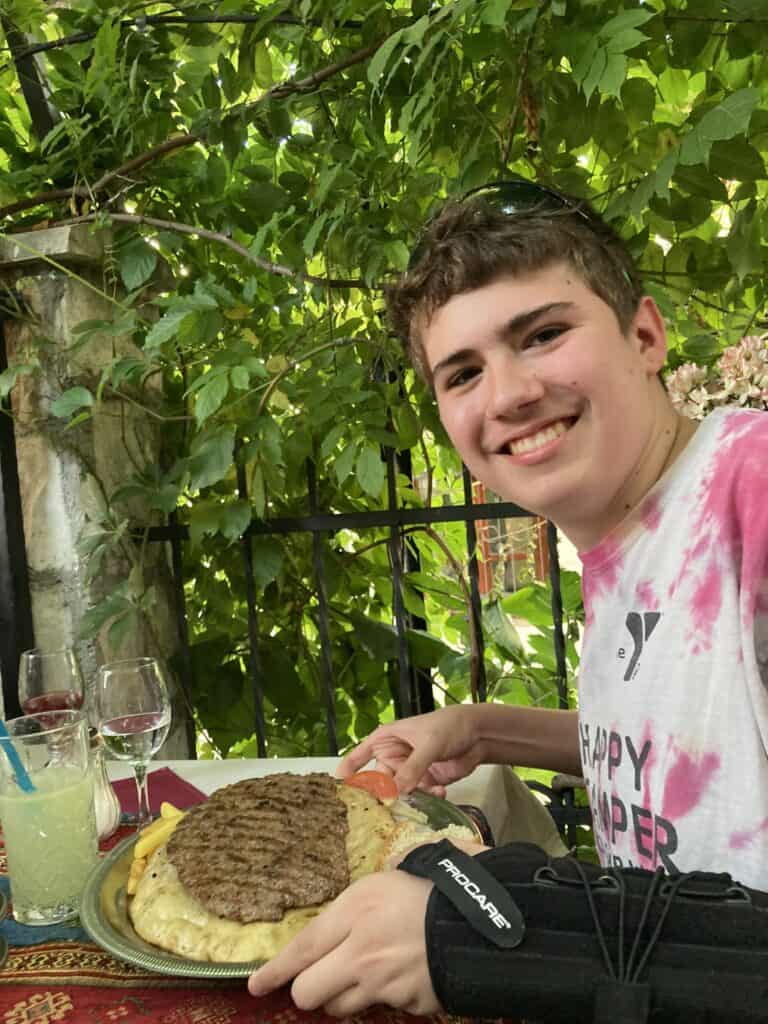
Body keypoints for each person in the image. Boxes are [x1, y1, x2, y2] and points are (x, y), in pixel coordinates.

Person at [247, 180, 768, 1017]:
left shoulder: (753, 491)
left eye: (544, 334)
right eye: (462, 374)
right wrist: (483, 729)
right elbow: (688, 753)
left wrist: (486, 945)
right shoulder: (627, 534)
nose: (508, 394)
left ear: (644, 335)